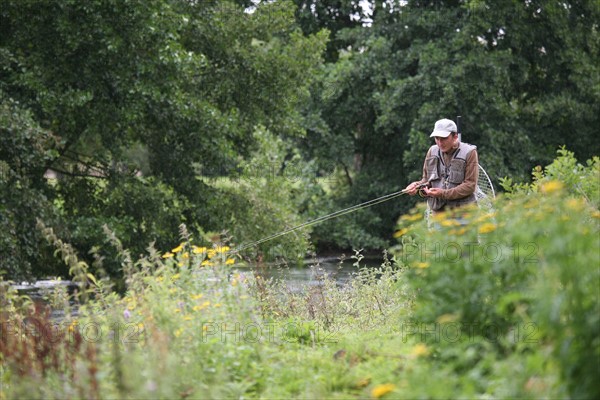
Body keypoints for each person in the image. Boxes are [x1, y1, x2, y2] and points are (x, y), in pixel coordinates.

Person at [404, 118, 478, 214]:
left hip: (464, 213)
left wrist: (443, 194)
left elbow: (470, 185)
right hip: (439, 215)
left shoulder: (469, 152)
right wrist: (417, 187)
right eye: (436, 138)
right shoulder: (432, 151)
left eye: (443, 139)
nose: (439, 143)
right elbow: (427, 181)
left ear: (455, 137)